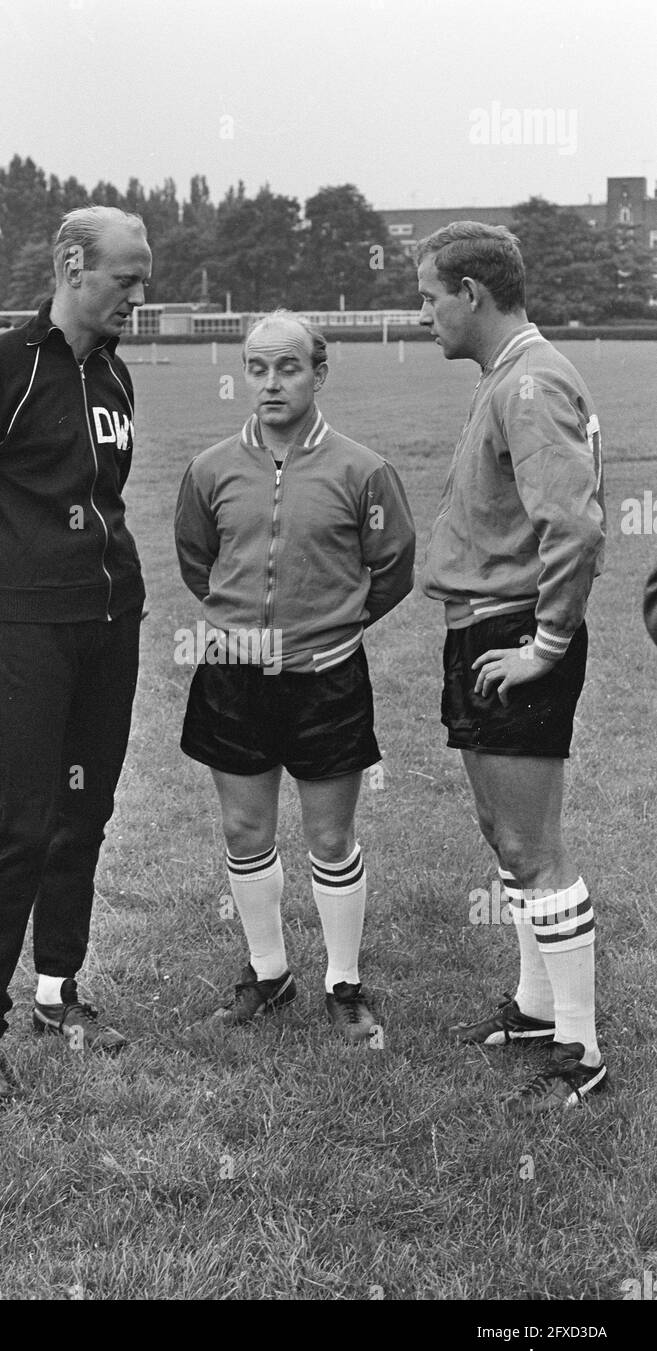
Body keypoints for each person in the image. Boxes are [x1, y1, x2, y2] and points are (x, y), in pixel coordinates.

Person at [0, 206, 152, 1099]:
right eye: (126, 278)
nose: (139, 294)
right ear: (71, 266)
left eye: (142, 279)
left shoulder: (117, 377)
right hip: (30, 628)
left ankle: (59, 991)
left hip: (111, 624)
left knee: (84, 813)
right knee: (23, 819)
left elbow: (110, 498)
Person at [175, 310, 415, 1040]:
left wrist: (329, 627)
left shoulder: (361, 469)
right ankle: (269, 972)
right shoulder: (210, 468)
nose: (271, 382)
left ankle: (343, 982)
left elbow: (394, 569)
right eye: (257, 368)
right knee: (245, 828)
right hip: (232, 675)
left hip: (326, 678)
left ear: (317, 373)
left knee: (330, 838)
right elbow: (196, 561)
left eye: (287, 367)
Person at [416, 221, 607, 1114]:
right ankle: (536, 1010)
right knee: (507, 842)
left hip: (511, 634)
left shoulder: (529, 380)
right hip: (482, 630)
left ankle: (581, 1049)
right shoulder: (509, 375)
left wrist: (546, 646)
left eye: (427, 297)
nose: (422, 315)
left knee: (534, 850)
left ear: (470, 294)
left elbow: (572, 525)